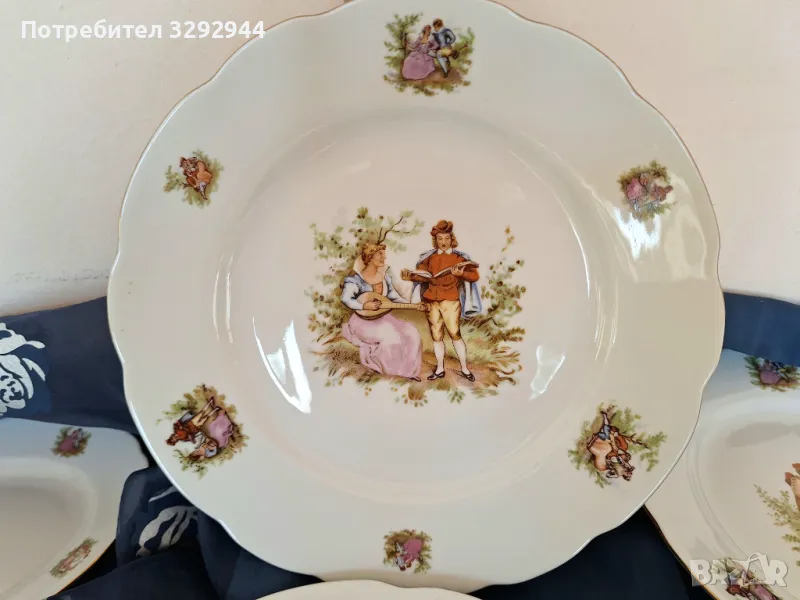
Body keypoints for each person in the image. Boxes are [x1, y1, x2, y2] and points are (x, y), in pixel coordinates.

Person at [402, 221, 482, 381]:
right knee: (436, 335)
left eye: (446, 238)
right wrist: (410, 276)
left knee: (454, 333)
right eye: (440, 238)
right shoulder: (429, 258)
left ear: (452, 239)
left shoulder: (459, 258)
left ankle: (464, 368)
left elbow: (474, 276)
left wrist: (461, 274)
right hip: (431, 301)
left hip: (450, 301)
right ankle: (440, 369)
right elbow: (423, 276)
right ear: (435, 240)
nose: (443, 242)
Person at [340, 242, 424, 381]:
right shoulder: (355, 280)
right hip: (362, 321)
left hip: (384, 318)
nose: (384, 257)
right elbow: (346, 298)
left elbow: (394, 298)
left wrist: (414, 306)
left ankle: (407, 372)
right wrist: (364, 305)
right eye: (380, 254)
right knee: (392, 337)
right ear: (370, 256)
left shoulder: (384, 277)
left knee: (411, 332)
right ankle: (390, 371)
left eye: (384, 255)